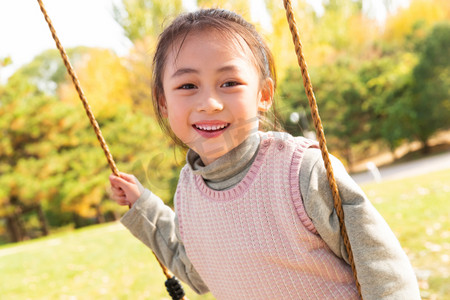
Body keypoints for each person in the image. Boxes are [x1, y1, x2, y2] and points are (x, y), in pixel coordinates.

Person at [109, 8, 420, 300]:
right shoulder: (188, 191)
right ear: (163, 103)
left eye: (229, 83)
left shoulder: (302, 172)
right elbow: (197, 271)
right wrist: (143, 205)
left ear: (264, 95)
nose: (209, 103)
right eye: (188, 85)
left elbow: (384, 271)